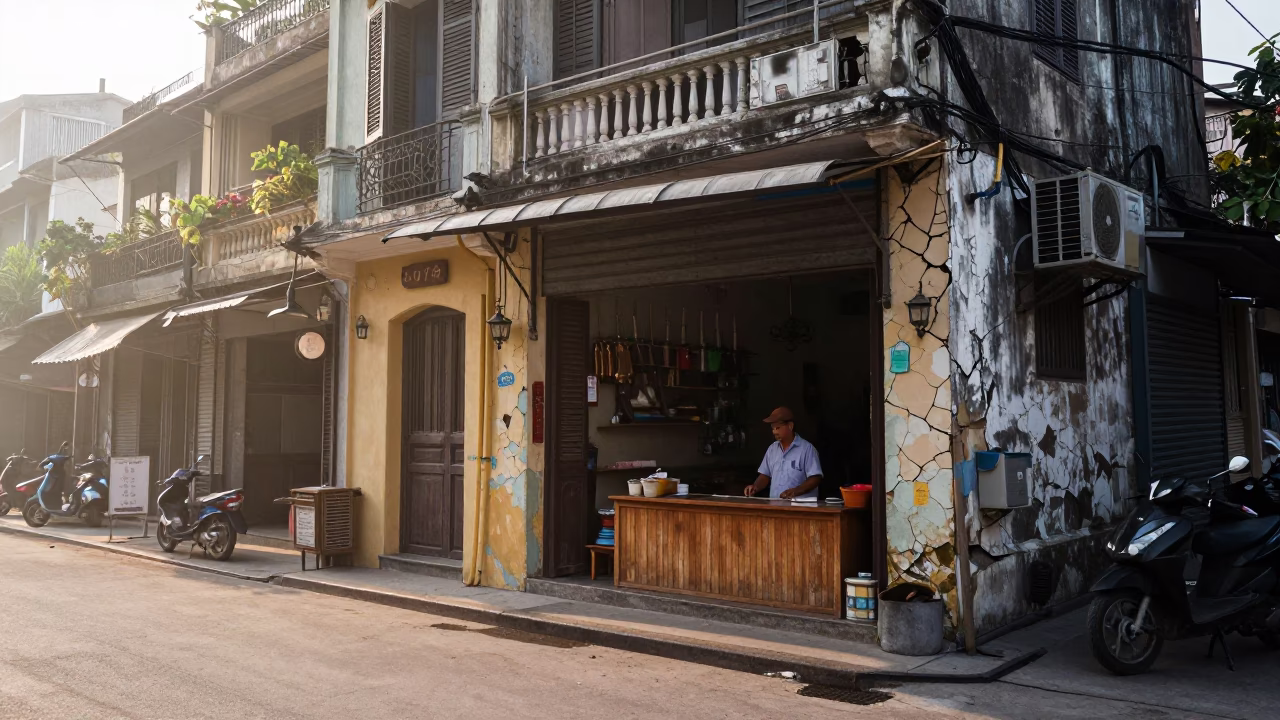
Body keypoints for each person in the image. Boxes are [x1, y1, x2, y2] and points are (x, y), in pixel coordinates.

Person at [744, 407, 823, 499]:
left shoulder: (807, 449)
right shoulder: (772, 449)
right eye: (773, 428)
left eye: (778, 428)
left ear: (790, 426)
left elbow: (815, 478)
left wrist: (796, 491)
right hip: (775, 505)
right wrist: (755, 487)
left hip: (800, 506)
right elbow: (765, 475)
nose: (774, 432)